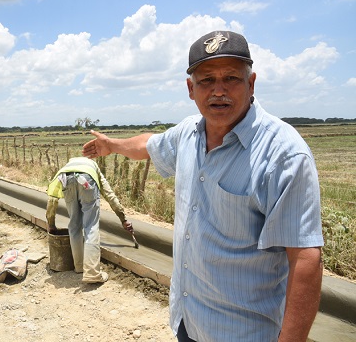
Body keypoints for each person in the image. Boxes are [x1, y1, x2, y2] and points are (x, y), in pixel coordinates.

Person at [82, 31, 323, 341]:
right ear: (190, 89)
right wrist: (112, 145)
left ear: (251, 84)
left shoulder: (284, 154)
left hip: (243, 333)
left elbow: (305, 258)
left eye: (231, 79)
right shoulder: (188, 134)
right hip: (188, 320)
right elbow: (148, 145)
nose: (218, 91)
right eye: (207, 80)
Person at [45, 156, 134, 284]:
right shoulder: (93, 167)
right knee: (91, 226)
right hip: (87, 181)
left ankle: (80, 267)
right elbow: (109, 194)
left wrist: (51, 223)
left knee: (74, 226)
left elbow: (52, 199)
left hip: (68, 182)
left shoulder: (66, 169)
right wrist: (123, 219)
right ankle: (92, 273)